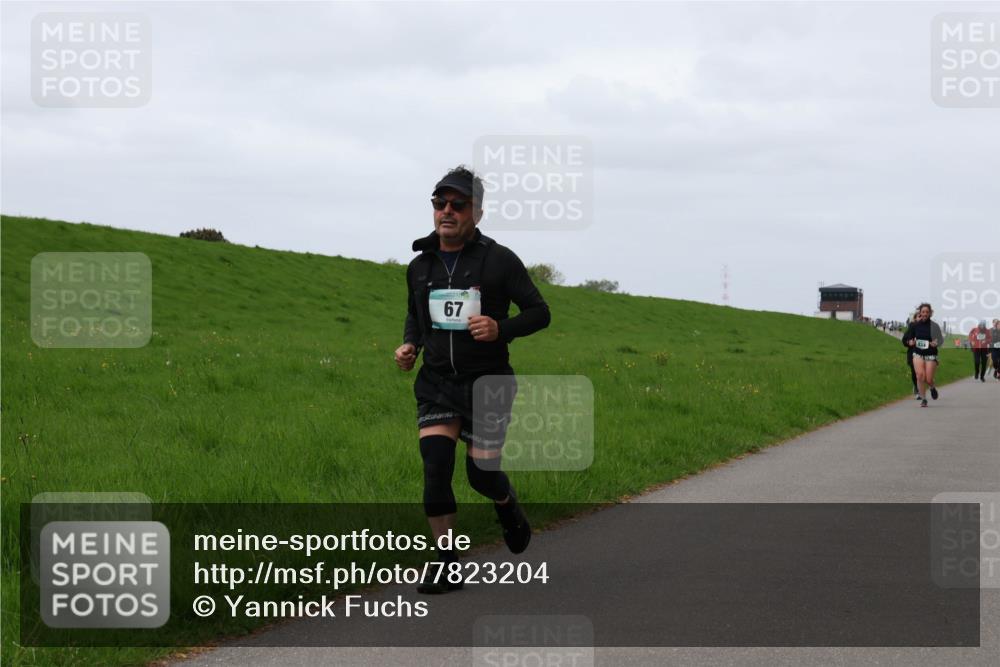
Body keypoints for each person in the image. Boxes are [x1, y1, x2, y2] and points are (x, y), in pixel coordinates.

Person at [394, 165, 551, 594]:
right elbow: (417, 314)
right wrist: (410, 346)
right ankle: (447, 562)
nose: (447, 211)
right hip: (438, 381)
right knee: (435, 467)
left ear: (477, 213)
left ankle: (507, 505)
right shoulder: (419, 266)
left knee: (481, 474)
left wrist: (500, 328)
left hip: (489, 382)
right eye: (439, 203)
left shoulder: (499, 260)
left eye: (458, 204)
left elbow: (540, 313)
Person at [902, 303, 945, 407]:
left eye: (927, 312)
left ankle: (932, 387)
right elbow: (905, 339)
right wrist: (909, 342)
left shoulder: (934, 326)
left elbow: (941, 340)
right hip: (918, 353)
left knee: (928, 378)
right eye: (923, 312)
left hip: (931, 354)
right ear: (920, 313)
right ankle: (924, 399)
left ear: (930, 313)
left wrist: (936, 343)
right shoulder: (914, 325)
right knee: (920, 376)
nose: (925, 314)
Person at [905, 309, 920, 398]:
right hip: (912, 353)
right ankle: (917, 389)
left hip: (923, 354)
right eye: (919, 316)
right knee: (915, 373)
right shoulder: (911, 327)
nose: (921, 318)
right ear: (915, 319)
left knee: (921, 374)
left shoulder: (927, 328)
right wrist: (908, 342)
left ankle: (919, 388)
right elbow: (904, 340)